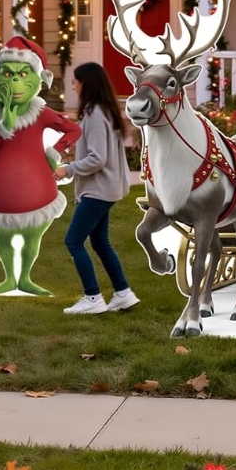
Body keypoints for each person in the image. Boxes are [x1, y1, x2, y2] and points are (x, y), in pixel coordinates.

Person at [0, 36, 81, 296]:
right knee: (2, 238)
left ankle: (26, 278)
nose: (14, 81)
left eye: (22, 73)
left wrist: (55, 150)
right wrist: (2, 130)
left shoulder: (40, 112)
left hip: (38, 191)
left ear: (36, 78)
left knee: (33, 236)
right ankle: (9, 278)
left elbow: (73, 130)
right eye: (7, 74)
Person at [54, 62, 139, 315]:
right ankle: (123, 294)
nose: (72, 85)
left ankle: (93, 297)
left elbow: (97, 158)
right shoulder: (106, 111)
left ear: (86, 84)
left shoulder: (94, 114)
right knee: (100, 241)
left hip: (99, 190)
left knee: (73, 240)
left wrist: (67, 169)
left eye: (75, 81)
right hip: (106, 188)